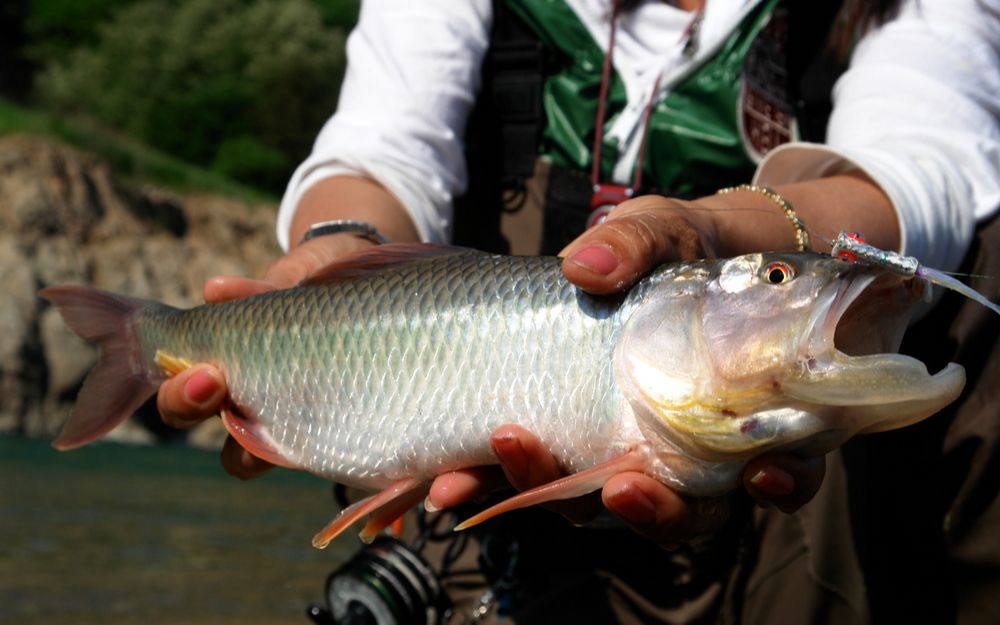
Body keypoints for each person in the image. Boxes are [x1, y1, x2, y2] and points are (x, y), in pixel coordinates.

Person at [157, 0, 1000, 622]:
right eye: (777, 282)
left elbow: (925, 160)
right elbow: (382, 145)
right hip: (472, 515)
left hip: (795, 528)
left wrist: (718, 228)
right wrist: (341, 244)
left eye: (775, 282)